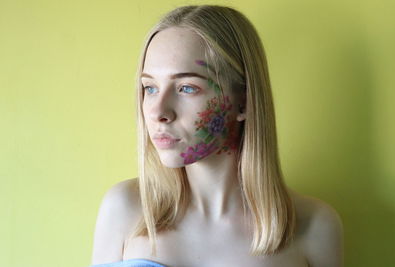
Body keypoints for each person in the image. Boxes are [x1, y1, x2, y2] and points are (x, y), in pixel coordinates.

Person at [90, 5, 344, 267]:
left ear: (243, 103)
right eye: (150, 88)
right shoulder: (124, 209)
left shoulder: (314, 226)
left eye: (187, 87)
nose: (158, 112)